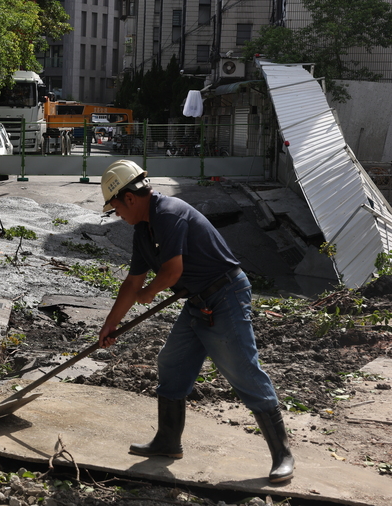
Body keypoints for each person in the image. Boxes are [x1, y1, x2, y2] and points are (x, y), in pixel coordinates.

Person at [97, 160, 294, 484]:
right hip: (197, 301)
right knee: (172, 362)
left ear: (128, 198)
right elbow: (132, 283)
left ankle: (283, 454)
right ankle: (168, 442)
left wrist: (149, 294)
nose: (116, 214)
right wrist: (110, 324)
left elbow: (171, 272)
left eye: (115, 206)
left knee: (242, 369)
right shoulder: (143, 233)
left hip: (225, 294)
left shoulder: (168, 213)